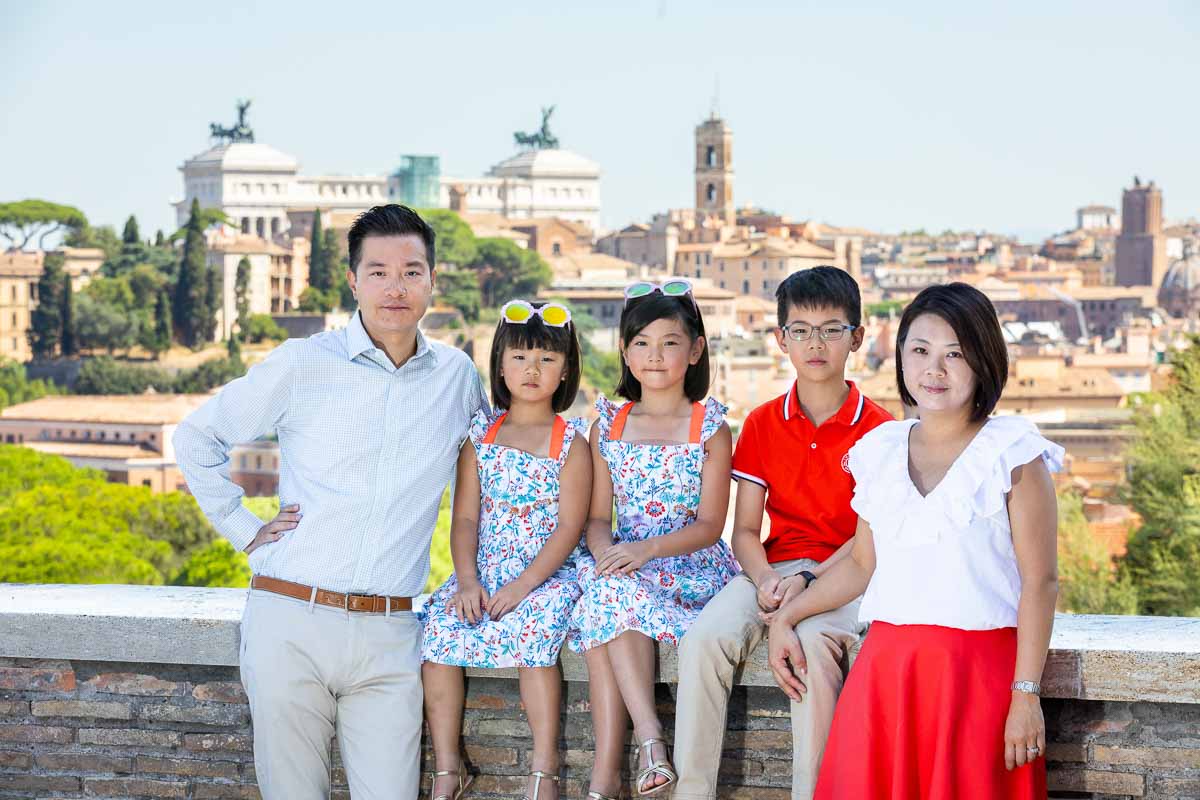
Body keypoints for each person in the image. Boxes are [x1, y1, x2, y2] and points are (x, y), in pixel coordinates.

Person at [174, 205, 486, 800]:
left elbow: (497, 475)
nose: (395, 287)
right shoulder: (301, 363)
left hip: (393, 633)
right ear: (352, 280)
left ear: (432, 279)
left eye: (411, 271)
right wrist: (243, 525)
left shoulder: (458, 377)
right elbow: (195, 436)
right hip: (291, 620)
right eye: (378, 272)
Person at [768, 282, 1061, 799]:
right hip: (885, 677)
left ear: (984, 361)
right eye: (920, 351)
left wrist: (1026, 695)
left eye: (955, 354)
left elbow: (1041, 584)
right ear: (900, 357)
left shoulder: (1014, 456)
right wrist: (786, 617)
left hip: (979, 683)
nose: (935, 370)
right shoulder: (878, 450)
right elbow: (861, 563)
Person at [672, 266, 892, 800]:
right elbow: (745, 530)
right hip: (774, 569)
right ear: (781, 340)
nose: (815, 343)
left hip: (848, 575)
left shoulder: (882, 431)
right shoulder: (765, 423)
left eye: (831, 329)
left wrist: (808, 583)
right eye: (801, 330)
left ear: (856, 338)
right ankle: (691, 792)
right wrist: (768, 579)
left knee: (814, 649)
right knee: (703, 638)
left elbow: (869, 542)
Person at [567, 279, 738, 799]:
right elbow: (597, 518)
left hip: (690, 565)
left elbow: (710, 524)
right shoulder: (608, 423)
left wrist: (643, 551)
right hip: (625, 562)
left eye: (669, 342)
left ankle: (621, 768)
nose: (655, 355)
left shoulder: (711, 426)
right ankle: (651, 747)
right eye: (641, 343)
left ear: (695, 349)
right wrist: (607, 554)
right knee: (607, 590)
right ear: (623, 351)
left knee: (608, 602)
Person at [419, 300, 591, 800]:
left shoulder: (571, 443)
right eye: (519, 358)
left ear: (565, 370)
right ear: (499, 364)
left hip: (545, 573)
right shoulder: (480, 437)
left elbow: (568, 527)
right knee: (440, 637)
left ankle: (544, 768)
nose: (531, 370)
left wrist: (522, 586)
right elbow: (466, 517)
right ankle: (449, 768)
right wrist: (468, 580)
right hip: (486, 568)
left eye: (546, 360)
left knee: (534, 638)